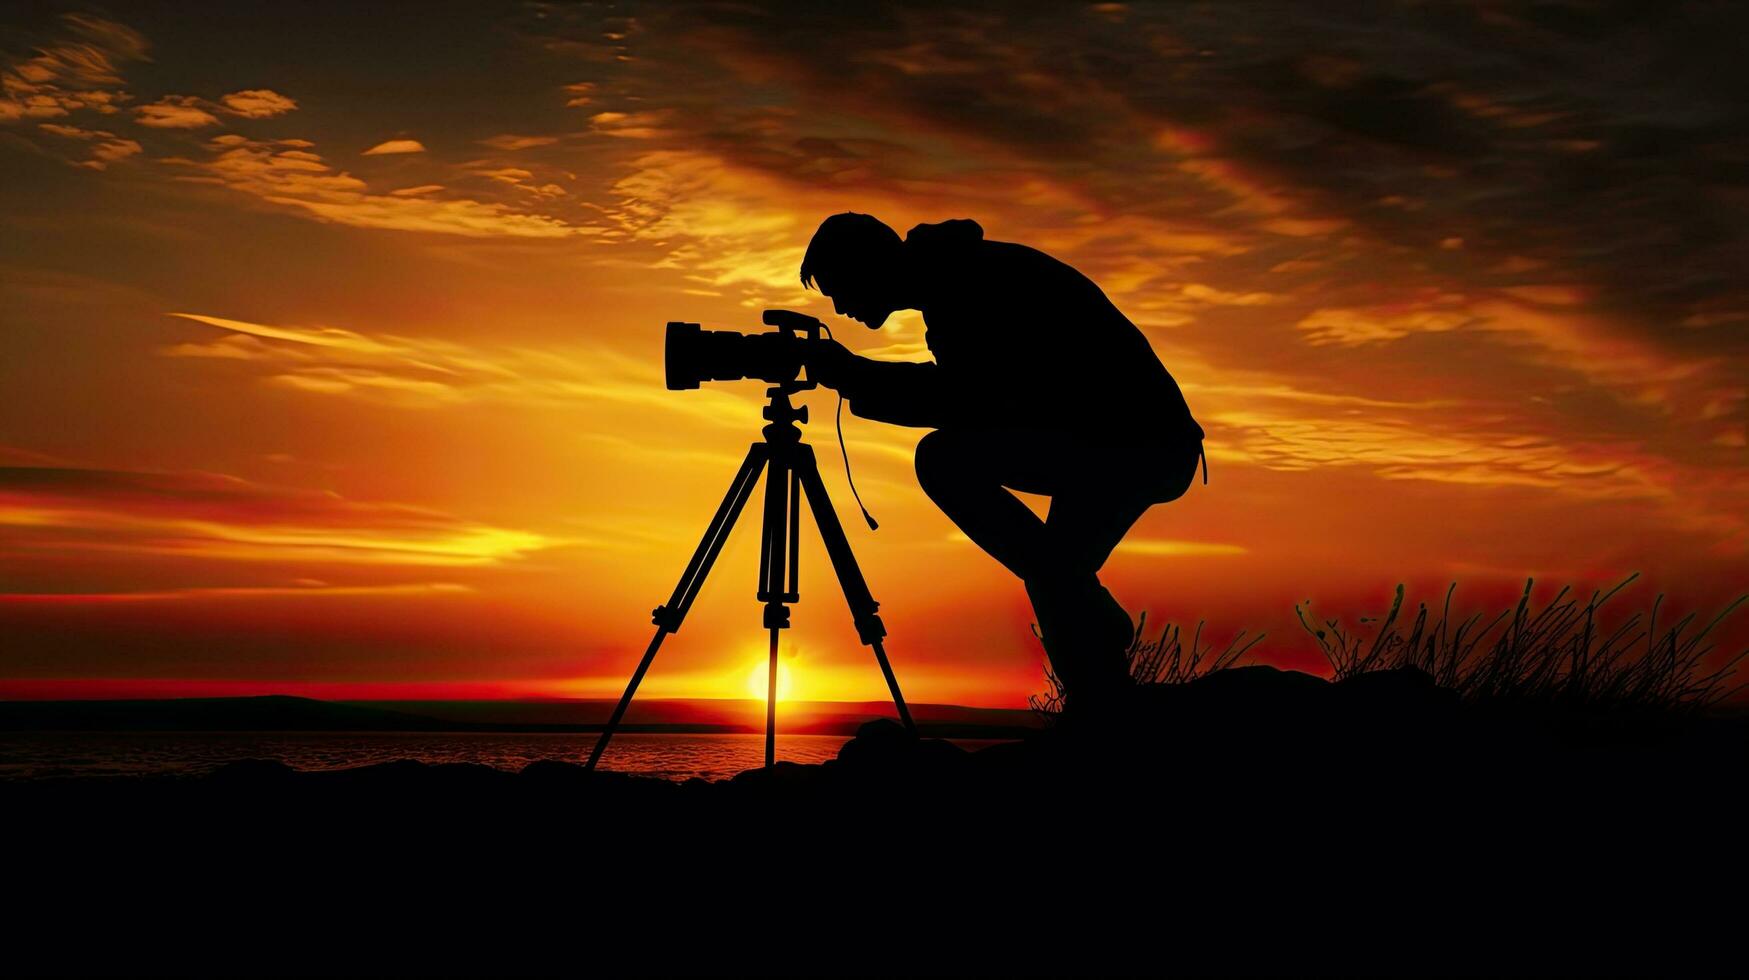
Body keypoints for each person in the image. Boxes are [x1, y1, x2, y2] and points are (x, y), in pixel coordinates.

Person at [800, 212, 1207, 717]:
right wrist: (859, 378)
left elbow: (969, 398)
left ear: (870, 264)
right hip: (1098, 439)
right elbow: (977, 395)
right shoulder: (955, 279)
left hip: (1132, 443)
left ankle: (1097, 678)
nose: (840, 307)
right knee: (1054, 567)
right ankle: (1097, 685)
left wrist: (856, 376)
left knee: (947, 463)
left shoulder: (967, 284)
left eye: (841, 287)